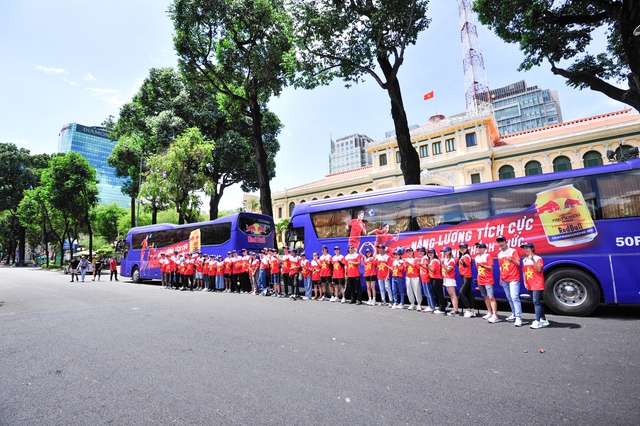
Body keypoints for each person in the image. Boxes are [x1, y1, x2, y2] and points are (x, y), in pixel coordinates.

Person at [521, 242, 550, 329]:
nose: (525, 250)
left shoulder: (538, 258)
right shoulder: (524, 260)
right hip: (529, 283)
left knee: (536, 302)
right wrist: (525, 282)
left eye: (527, 248)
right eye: (524, 248)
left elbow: (538, 269)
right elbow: (524, 272)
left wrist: (532, 259)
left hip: (537, 283)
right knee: (537, 302)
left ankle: (537, 321)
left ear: (532, 248)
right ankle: (544, 320)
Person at [496, 235, 523, 327]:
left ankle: (519, 317)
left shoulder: (513, 251)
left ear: (506, 242)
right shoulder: (499, 254)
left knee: (514, 297)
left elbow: (518, 263)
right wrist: (500, 278)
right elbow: (501, 267)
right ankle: (514, 314)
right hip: (504, 279)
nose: (501, 243)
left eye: (502, 241)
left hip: (514, 278)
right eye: (499, 242)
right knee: (509, 297)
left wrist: (511, 260)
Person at [475, 242, 498, 323]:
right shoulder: (476, 257)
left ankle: (495, 315)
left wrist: (483, 265)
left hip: (488, 279)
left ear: (484, 249)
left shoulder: (488, 256)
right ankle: (489, 312)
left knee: (491, 297)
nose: (478, 248)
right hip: (481, 279)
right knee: (485, 297)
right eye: (477, 247)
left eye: (480, 247)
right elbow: (478, 270)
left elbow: (490, 268)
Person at [457, 243, 476, 318]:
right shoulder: (462, 256)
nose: (461, 249)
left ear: (466, 248)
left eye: (463, 248)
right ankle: (472, 310)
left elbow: (466, 265)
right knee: (469, 293)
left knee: (461, 293)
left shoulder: (466, 256)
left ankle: (468, 309)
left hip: (466, 276)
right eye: (460, 248)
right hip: (464, 276)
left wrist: (462, 261)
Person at [441, 246, 460, 317]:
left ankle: (456, 310)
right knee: (451, 295)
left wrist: (442, 264)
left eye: (446, 251)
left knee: (453, 295)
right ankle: (454, 309)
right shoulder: (445, 259)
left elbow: (448, 270)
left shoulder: (452, 260)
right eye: (444, 251)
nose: (444, 253)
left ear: (449, 251)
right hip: (446, 278)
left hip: (450, 278)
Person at [426, 248, 445, 314]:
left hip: (437, 279)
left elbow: (432, 270)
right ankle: (445, 303)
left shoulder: (435, 261)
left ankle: (442, 308)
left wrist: (427, 266)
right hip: (433, 278)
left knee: (439, 294)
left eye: (431, 253)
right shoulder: (431, 260)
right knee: (435, 294)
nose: (430, 254)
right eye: (429, 253)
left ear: (434, 254)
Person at [417, 247, 436, 313]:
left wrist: (420, 264)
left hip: (426, 277)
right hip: (423, 277)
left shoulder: (425, 258)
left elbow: (427, 266)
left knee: (428, 293)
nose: (420, 252)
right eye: (418, 251)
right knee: (426, 293)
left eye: (421, 251)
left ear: (424, 251)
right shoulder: (423, 258)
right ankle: (430, 305)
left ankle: (432, 306)